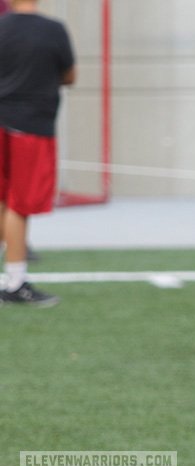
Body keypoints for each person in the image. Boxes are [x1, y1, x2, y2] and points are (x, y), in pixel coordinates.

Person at [0, 0, 75, 307]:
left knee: (4, 199)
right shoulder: (53, 29)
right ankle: (16, 282)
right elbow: (70, 76)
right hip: (31, 126)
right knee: (21, 204)